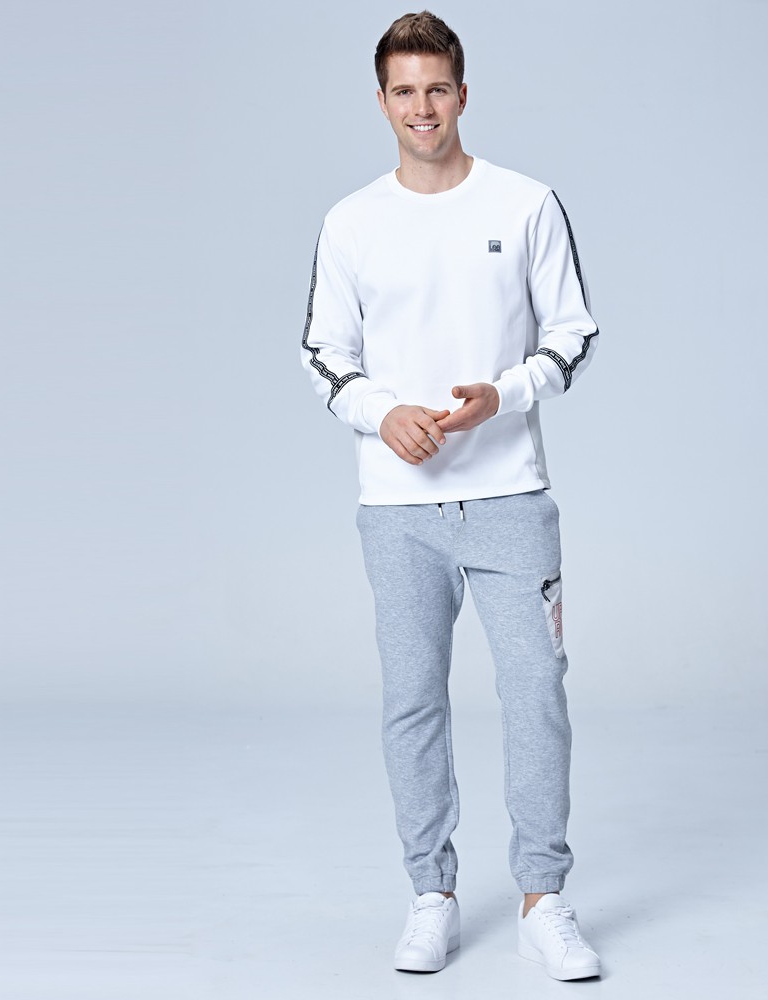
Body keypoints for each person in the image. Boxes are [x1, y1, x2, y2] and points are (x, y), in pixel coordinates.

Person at [301, 10, 601, 981]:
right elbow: (323, 352)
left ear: (463, 94)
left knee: (536, 696)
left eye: (437, 89)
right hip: (397, 509)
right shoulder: (350, 222)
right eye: (404, 91)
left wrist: (501, 396)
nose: (421, 107)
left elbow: (572, 333)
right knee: (412, 703)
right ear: (381, 100)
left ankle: (543, 899)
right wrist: (382, 412)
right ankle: (430, 895)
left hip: (511, 497)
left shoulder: (526, 203)